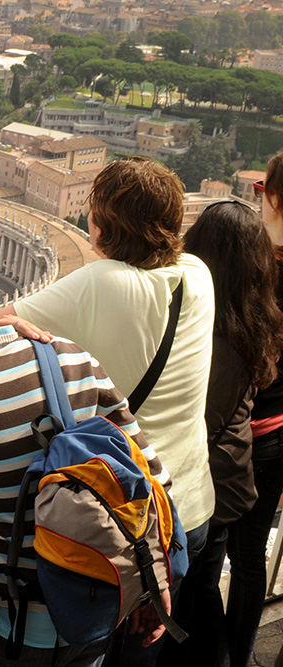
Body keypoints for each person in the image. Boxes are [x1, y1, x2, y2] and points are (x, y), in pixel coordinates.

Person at [0, 243, 168, 667]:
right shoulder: (72, 357)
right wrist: (154, 584)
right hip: (98, 601)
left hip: (14, 625)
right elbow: (150, 477)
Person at [0, 158, 215, 662]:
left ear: (102, 226)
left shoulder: (100, 283)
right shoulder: (197, 275)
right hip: (189, 509)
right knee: (144, 651)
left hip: (127, 517)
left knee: (98, 647)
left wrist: (11, 324)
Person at [156, 200, 283, 666]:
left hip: (210, 477)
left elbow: (202, 419)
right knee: (224, 577)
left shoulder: (207, 327)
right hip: (244, 462)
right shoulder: (259, 317)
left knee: (195, 592)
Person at [215, 153, 283, 667]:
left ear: (273, 197)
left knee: (217, 552)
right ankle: (237, 657)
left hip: (247, 434)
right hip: (281, 431)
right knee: (251, 556)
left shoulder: (259, 269)